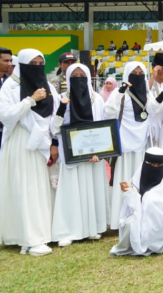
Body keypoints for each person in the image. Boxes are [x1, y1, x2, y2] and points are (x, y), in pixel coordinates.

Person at [0, 49, 60, 256]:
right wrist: (30, 100)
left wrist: (54, 141)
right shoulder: (10, 86)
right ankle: (29, 239)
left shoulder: (48, 86)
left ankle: (40, 234)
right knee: (24, 187)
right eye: (32, 64)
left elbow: (54, 114)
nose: (36, 67)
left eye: (40, 63)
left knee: (38, 188)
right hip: (20, 140)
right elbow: (5, 116)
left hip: (41, 142)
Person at [51, 64, 110, 247]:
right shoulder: (61, 98)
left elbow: (102, 127)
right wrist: (61, 109)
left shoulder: (97, 100)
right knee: (71, 191)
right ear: (68, 78)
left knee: (91, 188)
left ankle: (93, 227)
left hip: (93, 155)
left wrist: (99, 152)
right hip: (70, 153)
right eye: (74, 76)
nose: (78, 79)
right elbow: (54, 128)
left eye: (81, 75)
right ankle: (68, 230)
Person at [104, 62, 155, 230]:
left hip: (142, 146)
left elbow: (155, 111)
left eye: (141, 72)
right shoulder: (121, 94)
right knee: (124, 180)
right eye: (134, 72)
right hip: (124, 145)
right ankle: (120, 219)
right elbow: (109, 112)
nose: (138, 75)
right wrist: (120, 91)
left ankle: (141, 217)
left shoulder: (148, 94)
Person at [110, 147, 163, 257]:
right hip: (138, 219)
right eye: (151, 165)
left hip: (160, 224)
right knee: (129, 224)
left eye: (158, 166)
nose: (155, 168)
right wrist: (128, 192)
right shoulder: (136, 180)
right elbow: (130, 208)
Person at [147, 53, 163, 147]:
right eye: (160, 69)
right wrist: (152, 77)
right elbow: (145, 94)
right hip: (151, 124)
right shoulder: (148, 83)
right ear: (154, 68)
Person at [0, 47, 13, 147]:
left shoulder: (11, 82)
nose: (9, 64)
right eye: (6, 61)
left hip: (7, 129)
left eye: (10, 60)